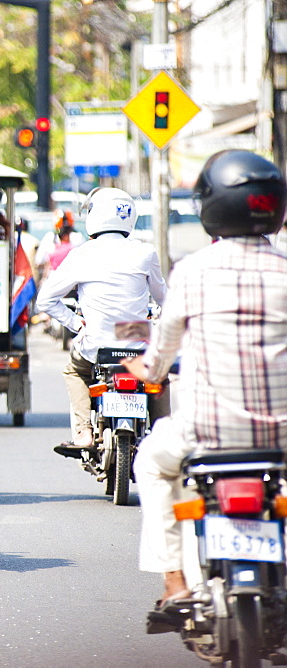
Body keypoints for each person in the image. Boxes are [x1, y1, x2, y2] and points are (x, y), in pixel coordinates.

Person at [120, 150, 287, 611]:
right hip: (281, 438)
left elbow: (160, 357)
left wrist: (148, 371)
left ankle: (175, 582)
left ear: (210, 206)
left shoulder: (193, 270)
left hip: (204, 435)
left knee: (151, 467)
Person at [34, 187, 168, 455]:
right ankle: (166, 436)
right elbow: (165, 298)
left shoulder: (82, 254)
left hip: (96, 343)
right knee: (160, 378)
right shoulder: (145, 252)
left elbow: (45, 301)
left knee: (74, 371)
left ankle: (84, 433)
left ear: (95, 216)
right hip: (137, 341)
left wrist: (76, 323)